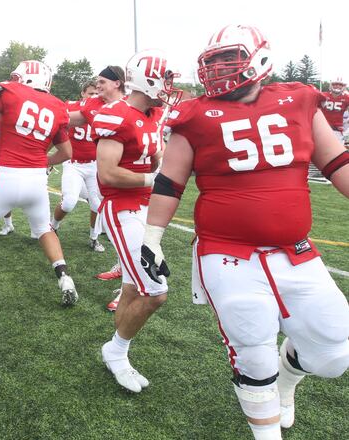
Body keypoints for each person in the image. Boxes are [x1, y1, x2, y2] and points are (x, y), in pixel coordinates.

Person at [142, 25, 349, 440]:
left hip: (296, 249)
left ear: (260, 58)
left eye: (229, 58)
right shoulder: (195, 115)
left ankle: (287, 383)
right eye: (213, 61)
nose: (219, 69)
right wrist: (151, 238)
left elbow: (338, 164)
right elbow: (170, 183)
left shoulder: (299, 100)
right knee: (254, 353)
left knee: (334, 352)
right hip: (226, 251)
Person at [93, 50, 181, 393]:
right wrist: (152, 180)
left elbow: (155, 155)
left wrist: (160, 168)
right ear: (147, 79)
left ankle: (118, 352)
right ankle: (115, 352)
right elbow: (108, 172)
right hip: (122, 208)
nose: (169, 86)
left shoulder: (152, 114)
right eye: (165, 79)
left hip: (143, 209)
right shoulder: (117, 116)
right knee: (156, 292)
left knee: (134, 287)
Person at [0, 60, 78, 306]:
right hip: (35, 180)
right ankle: (64, 277)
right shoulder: (56, 106)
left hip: (7, 174)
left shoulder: (12, 93)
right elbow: (66, 152)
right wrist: (44, 160)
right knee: (44, 228)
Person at [67, 68, 129, 309]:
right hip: (107, 177)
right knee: (116, 230)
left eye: (102, 82)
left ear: (117, 83)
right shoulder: (94, 103)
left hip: (128, 178)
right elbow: (74, 118)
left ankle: (129, 289)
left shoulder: (132, 105)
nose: (98, 86)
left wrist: (147, 178)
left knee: (132, 235)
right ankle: (123, 267)